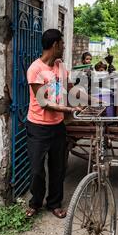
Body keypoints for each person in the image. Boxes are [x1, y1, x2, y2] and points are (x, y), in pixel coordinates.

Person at [25, 29, 82, 219]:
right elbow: (44, 103)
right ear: (55, 45)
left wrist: (91, 99)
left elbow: (71, 89)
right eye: (62, 44)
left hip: (57, 126)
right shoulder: (35, 69)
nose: (64, 47)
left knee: (58, 168)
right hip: (38, 127)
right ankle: (35, 202)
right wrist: (69, 110)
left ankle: (54, 204)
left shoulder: (60, 66)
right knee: (37, 169)